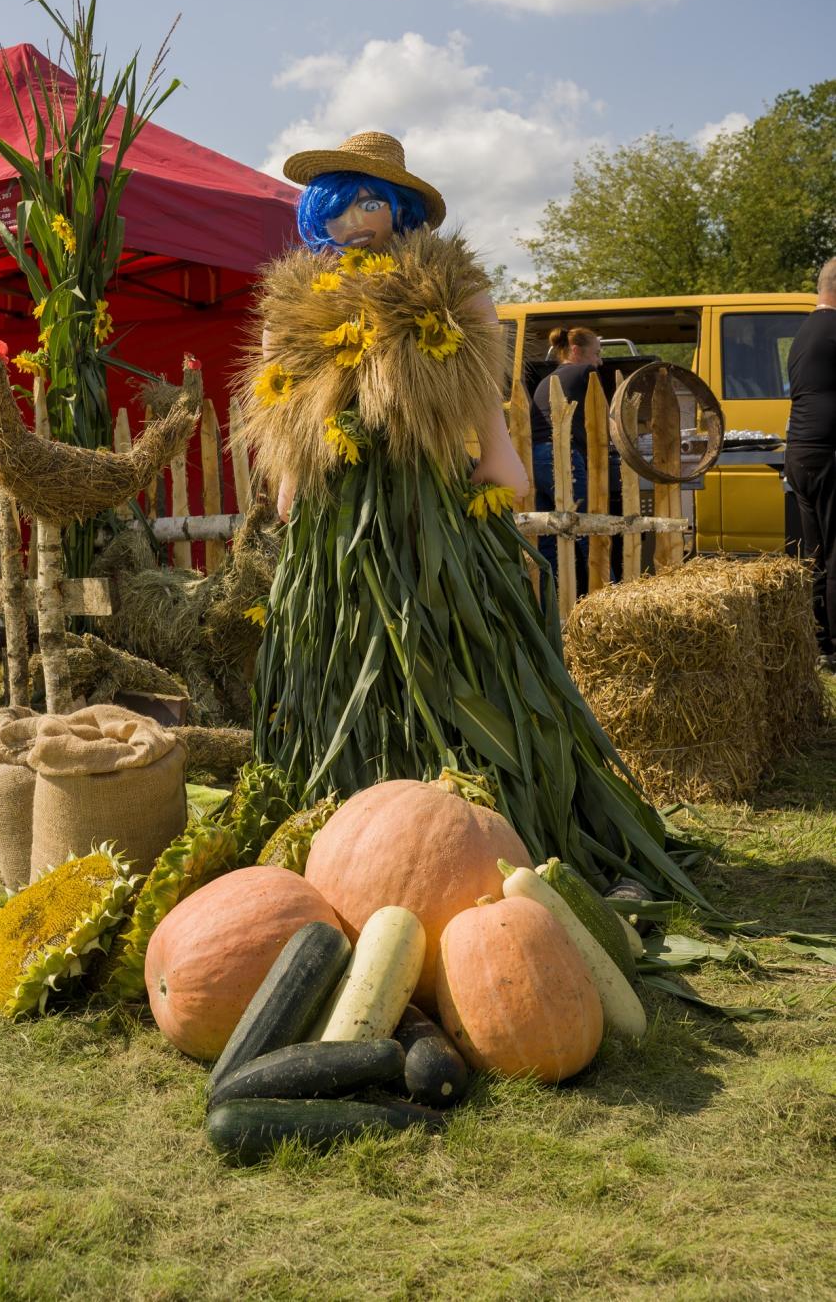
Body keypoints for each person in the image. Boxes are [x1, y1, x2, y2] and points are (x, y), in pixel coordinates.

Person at [240, 130, 701, 904]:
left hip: (431, 506)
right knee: (348, 664)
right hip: (338, 519)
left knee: (457, 648)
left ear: (399, 207)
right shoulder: (297, 297)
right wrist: (288, 483)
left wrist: (500, 455)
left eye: (369, 201)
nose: (354, 219)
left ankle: (502, 831)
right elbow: (282, 400)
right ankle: (342, 840)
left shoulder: (444, 284)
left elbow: (482, 386)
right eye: (339, 205)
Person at [784, 256, 836, 668]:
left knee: (815, 553)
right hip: (827, 450)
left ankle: (819, 642)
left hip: (800, 450)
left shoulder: (804, 332)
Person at [530, 326, 603, 582]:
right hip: (561, 456)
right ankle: (610, 594)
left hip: (536, 458)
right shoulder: (585, 372)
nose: (599, 361)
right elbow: (604, 414)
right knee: (588, 529)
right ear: (575, 350)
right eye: (596, 353)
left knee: (549, 533)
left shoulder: (547, 379)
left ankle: (550, 596)